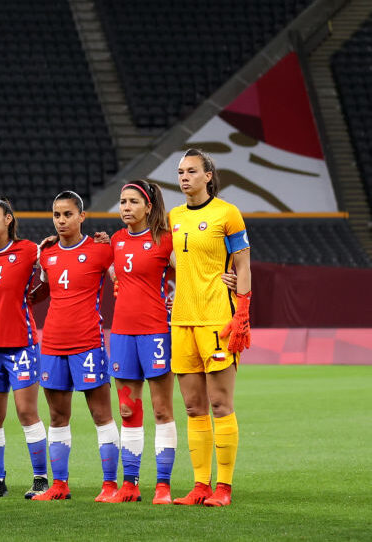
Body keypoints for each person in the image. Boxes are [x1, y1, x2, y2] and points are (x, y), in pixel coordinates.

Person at [169, 149, 251, 507]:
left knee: (220, 404)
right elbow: (165, 257)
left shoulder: (228, 214)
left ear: (208, 176)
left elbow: (244, 264)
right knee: (193, 407)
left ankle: (224, 488)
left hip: (218, 319)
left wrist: (243, 311)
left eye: (191, 171)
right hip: (182, 321)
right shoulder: (173, 216)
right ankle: (200, 485)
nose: (184, 177)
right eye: (180, 172)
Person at [30, 190, 117, 502]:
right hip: (52, 344)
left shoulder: (102, 251)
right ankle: (59, 485)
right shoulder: (47, 255)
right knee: (57, 416)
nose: (61, 220)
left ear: (82, 217)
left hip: (88, 344)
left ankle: (110, 485)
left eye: (68, 214)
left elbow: (123, 284)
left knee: (101, 414)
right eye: (57, 215)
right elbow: (36, 291)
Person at [0, 196, 50, 499]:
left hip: (21, 345)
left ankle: (41, 478)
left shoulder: (29, 251)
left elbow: (50, 280)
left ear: (8, 219)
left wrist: (31, 299)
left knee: (27, 412)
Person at [104, 181, 176, 504]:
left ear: (148, 207)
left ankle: (163, 486)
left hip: (156, 332)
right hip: (121, 333)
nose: (126, 207)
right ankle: (130, 484)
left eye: (133, 201)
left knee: (162, 410)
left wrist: (182, 300)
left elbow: (190, 272)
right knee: (127, 409)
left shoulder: (165, 240)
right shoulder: (116, 241)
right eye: (122, 201)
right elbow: (108, 272)